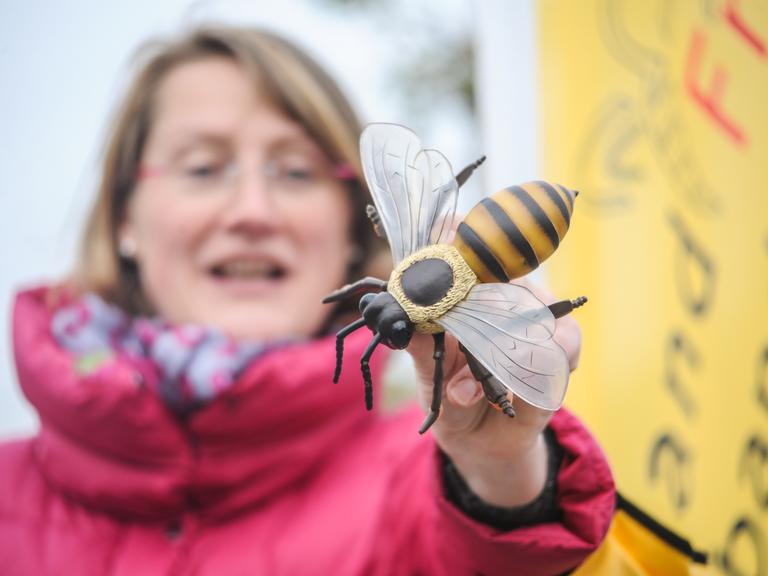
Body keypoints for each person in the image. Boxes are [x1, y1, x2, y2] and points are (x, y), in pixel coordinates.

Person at [0, 26, 614, 575]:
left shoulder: (422, 470)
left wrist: (500, 475)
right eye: (202, 168)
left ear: (355, 228)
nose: (252, 211)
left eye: (295, 172)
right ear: (122, 216)